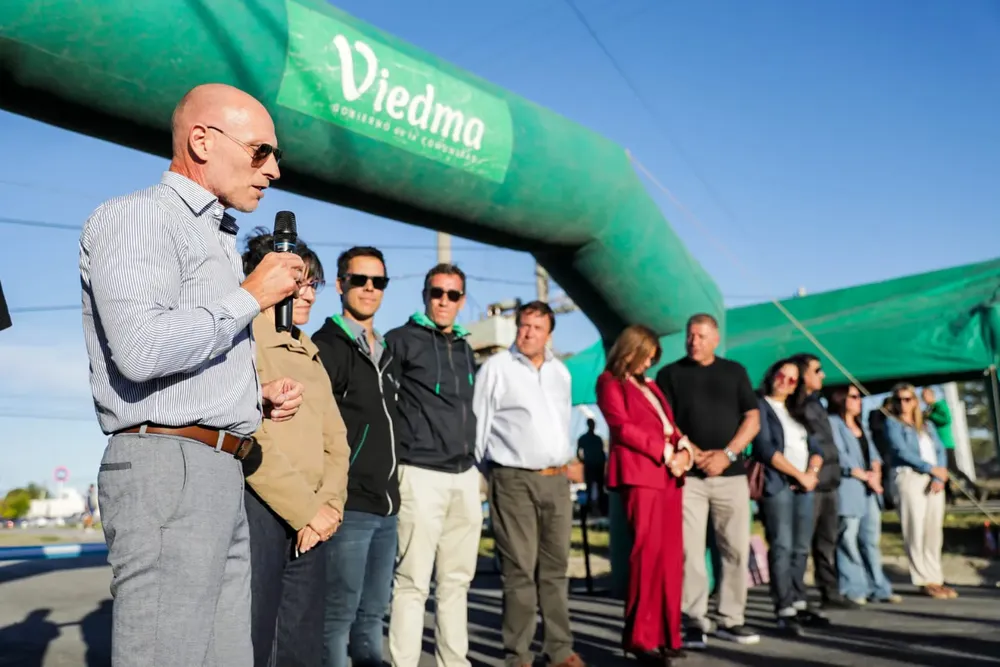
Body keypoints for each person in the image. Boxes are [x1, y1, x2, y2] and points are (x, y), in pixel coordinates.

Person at [81, 83, 305, 667]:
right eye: (261, 151)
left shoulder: (217, 239)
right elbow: (141, 350)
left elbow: (182, 373)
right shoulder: (138, 216)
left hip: (217, 467)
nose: (274, 169)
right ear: (202, 141)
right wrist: (252, 297)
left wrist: (252, 400)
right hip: (169, 467)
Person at [240, 230, 350, 667]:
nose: (307, 293)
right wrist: (307, 509)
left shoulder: (309, 349)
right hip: (263, 511)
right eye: (298, 280)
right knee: (257, 639)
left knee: (303, 645)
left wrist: (330, 508)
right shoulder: (243, 337)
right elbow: (250, 438)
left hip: (314, 522)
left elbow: (336, 441)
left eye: (312, 283)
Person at [474, 301, 585, 667]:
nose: (528, 333)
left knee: (554, 569)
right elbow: (479, 425)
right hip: (513, 478)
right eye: (523, 325)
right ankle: (517, 654)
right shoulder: (497, 368)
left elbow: (562, 422)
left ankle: (559, 648)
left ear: (549, 334)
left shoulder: (560, 372)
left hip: (556, 479)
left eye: (537, 328)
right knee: (519, 569)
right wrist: (493, 475)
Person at [386, 264, 482, 667]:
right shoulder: (400, 340)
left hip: (464, 475)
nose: (444, 301)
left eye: (453, 294)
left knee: (456, 583)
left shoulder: (465, 348)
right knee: (411, 583)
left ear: (461, 300)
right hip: (420, 473)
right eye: (437, 292)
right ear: (425, 294)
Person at [312, 246, 401, 667]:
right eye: (360, 280)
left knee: (373, 613)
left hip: (387, 505)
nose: (369, 289)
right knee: (338, 615)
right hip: (348, 504)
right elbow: (315, 428)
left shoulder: (385, 350)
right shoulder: (328, 345)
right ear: (340, 284)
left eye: (378, 281)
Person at [655, 314, 761, 649]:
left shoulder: (735, 372)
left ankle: (732, 619)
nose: (694, 342)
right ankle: (694, 620)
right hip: (690, 479)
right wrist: (696, 453)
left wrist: (727, 454)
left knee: (734, 549)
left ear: (715, 339)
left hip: (731, 477)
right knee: (690, 552)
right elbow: (665, 422)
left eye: (701, 336)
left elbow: (753, 417)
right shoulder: (670, 374)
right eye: (690, 336)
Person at [595, 325, 693, 666]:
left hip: (670, 477)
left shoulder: (651, 386)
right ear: (631, 350)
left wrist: (683, 450)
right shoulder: (609, 382)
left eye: (654, 357)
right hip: (641, 475)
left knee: (669, 558)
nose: (650, 362)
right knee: (646, 555)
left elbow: (671, 426)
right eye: (647, 354)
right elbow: (622, 428)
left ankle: (669, 635)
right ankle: (639, 639)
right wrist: (666, 453)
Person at [752, 359, 824, 636]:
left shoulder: (798, 411)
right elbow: (765, 448)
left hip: (805, 486)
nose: (785, 381)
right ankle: (784, 608)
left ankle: (799, 600)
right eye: (782, 374)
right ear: (772, 374)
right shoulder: (761, 405)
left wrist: (812, 472)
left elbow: (815, 447)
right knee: (781, 545)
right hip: (778, 484)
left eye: (793, 379)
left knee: (801, 547)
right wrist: (798, 474)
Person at [788, 353, 855, 610]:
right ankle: (796, 597)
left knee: (828, 541)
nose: (823, 375)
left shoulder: (817, 403)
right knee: (802, 543)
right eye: (817, 370)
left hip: (830, 482)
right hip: (810, 482)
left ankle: (830, 591)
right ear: (804, 374)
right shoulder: (795, 403)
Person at [827, 386, 900, 607]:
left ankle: (878, 586)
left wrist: (875, 473)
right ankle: (853, 587)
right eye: (854, 397)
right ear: (841, 399)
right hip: (849, 488)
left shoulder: (862, 426)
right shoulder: (833, 423)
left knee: (870, 540)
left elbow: (874, 455)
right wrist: (861, 474)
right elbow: (838, 455)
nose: (859, 401)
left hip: (869, 490)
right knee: (848, 538)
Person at [885, 383, 956, 599]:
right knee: (915, 528)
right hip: (910, 477)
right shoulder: (893, 423)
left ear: (915, 401)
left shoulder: (925, 424)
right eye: (899, 399)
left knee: (933, 530)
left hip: (933, 478)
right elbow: (901, 451)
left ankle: (936, 576)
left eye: (908, 399)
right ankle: (923, 578)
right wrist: (930, 468)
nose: (903, 403)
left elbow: (939, 449)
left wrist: (939, 473)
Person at [577, 418, 608, 515]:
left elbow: (602, 453)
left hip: (598, 467)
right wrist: (583, 460)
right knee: (589, 489)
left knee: (600, 489)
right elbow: (578, 451)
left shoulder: (598, 439)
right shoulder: (583, 438)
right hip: (590, 466)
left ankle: (601, 509)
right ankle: (589, 510)